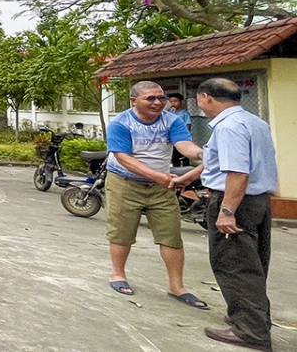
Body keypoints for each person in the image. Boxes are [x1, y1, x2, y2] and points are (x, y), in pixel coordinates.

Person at [172, 78, 278, 351]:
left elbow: (238, 171)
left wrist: (227, 211)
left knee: (235, 266)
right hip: (259, 201)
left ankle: (251, 332)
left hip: (236, 201)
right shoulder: (255, 122)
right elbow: (219, 162)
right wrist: (193, 176)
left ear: (206, 97)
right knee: (253, 265)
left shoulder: (228, 127)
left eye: (199, 98)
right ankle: (249, 319)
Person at [103, 80, 205, 308]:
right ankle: (118, 274)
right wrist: (156, 175)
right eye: (150, 98)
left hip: (161, 187)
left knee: (171, 234)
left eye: (161, 98)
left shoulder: (171, 120)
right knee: (122, 231)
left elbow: (183, 144)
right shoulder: (121, 123)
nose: (158, 103)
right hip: (125, 182)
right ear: (133, 101)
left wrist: (201, 153)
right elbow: (123, 157)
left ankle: (176, 286)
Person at [168, 92, 194, 167]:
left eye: (175, 101)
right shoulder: (171, 112)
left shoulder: (184, 114)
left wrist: (185, 137)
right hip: (173, 138)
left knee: (183, 154)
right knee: (174, 156)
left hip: (181, 138)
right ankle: (176, 168)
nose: (173, 103)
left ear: (181, 102)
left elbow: (188, 125)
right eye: (171, 102)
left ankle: (186, 168)